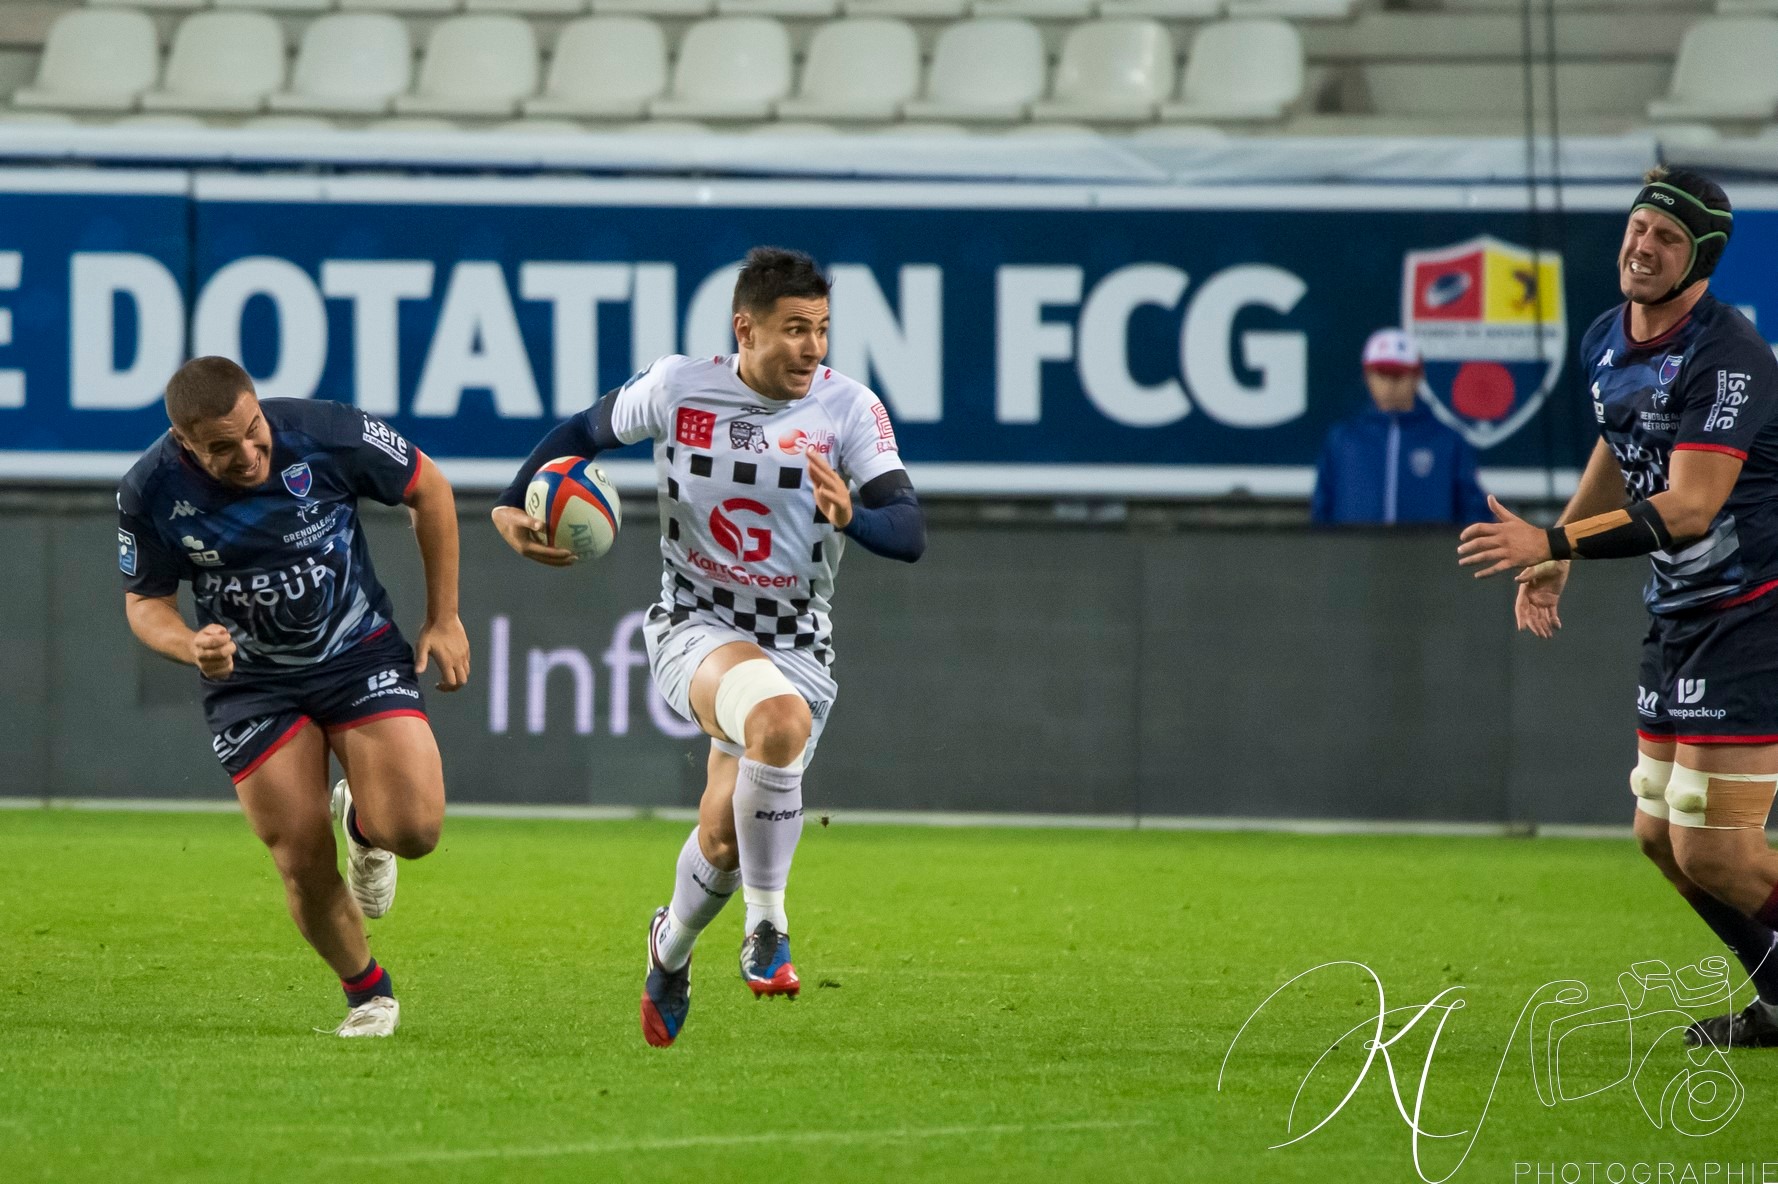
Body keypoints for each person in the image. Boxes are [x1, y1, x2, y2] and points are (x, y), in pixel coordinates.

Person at [491, 247, 926, 1048]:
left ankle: (671, 947)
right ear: (745, 328)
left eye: (822, 330)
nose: (812, 348)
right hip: (695, 626)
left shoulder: (849, 411)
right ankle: (768, 929)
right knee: (778, 722)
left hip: (798, 641)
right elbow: (578, 432)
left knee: (725, 837)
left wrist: (849, 517)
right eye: (795, 330)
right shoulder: (679, 386)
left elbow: (909, 534)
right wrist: (512, 502)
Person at [1458, 167, 1778, 1049]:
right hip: (1679, 611)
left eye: (1667, 239)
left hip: (1753, 611)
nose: (1642, 246)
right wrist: (1563, 550)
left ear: (1700, 258)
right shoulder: (1607, 335)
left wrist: (1552, 545)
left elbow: (1690, 507)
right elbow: (1619, 437)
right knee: (1658, 836)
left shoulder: (1731, 357)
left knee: (1717, 849)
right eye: (1639, 228)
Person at [117, 356, 469, 1038]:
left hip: (356, 653)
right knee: (297, 852)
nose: (250, 453)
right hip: (252, 682)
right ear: (186, 443)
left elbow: (432, 490)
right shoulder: (149, 490)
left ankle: (366, 828)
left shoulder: (325, 432)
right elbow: (145, 602)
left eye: (254, 430)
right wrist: (190, 645)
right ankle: (369, 995)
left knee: (415, 831)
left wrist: (443, 618)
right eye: (223, 447)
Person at [1311, 328, 1490, 526]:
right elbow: (1322, 512)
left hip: (1429, 556)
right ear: (1367, 376)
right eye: (1380, 374)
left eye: (1397, 375)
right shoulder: (1344, 440)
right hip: (1355, 555)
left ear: (1417, 376)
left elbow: (1473, 511)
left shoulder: (1447, 441)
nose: (1388, 385)